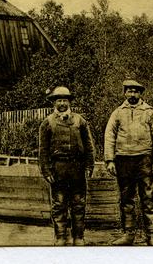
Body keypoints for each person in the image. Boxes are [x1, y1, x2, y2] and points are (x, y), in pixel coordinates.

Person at [104, 80, 153, 246]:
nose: (132, 95)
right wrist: (110, 160)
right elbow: (109, 136)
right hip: (123, 159)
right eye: (129, 91)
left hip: (144, 160)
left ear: (141, 94)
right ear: (124, 93)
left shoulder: (150, 112)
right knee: (126, 199)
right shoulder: (117, 113)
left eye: (136, 92)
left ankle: (151, 235)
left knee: (148, 198)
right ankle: (128, 235)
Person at [39, 86, 95, 246]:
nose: (62, 103)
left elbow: (89, 145)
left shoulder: (80, 121)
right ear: (54, 103)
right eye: (59, 100)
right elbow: (43, 149)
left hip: (77, 169)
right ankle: (60, 237)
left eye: (65, 100)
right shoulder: (47, 123)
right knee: (59, 204)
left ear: (70, 102)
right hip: (58, 169)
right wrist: (46, 170)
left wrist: (89, 166)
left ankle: (78, 237)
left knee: (78, 204)